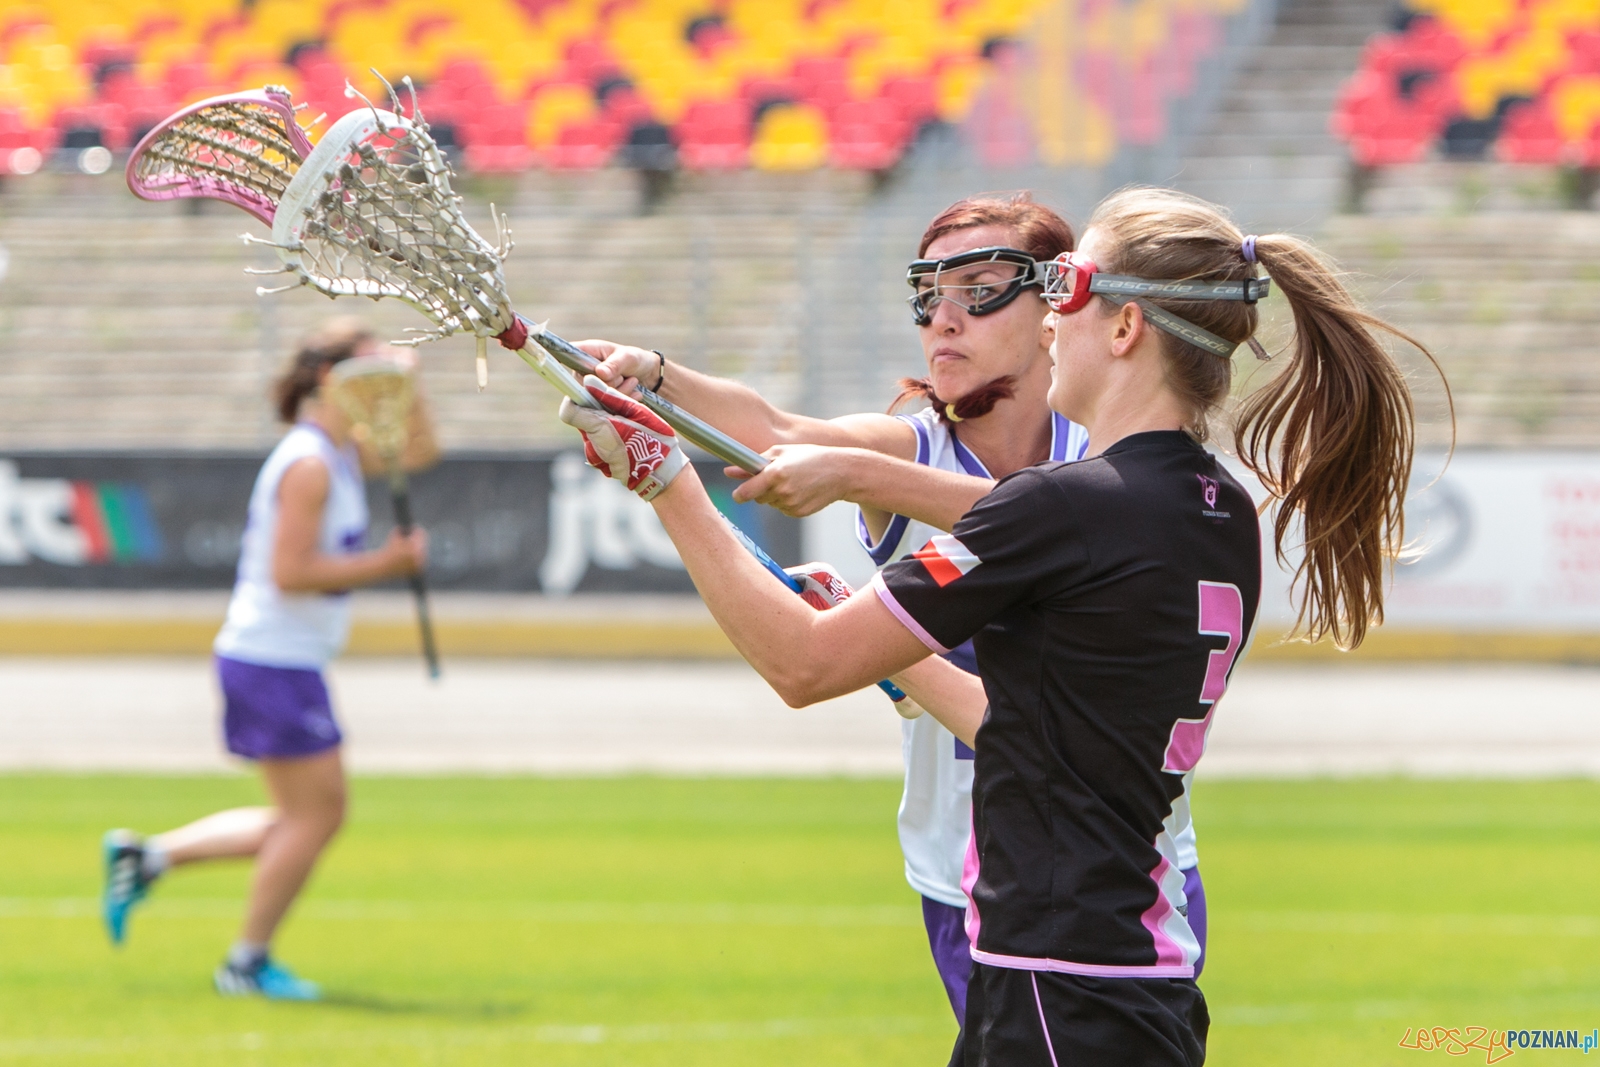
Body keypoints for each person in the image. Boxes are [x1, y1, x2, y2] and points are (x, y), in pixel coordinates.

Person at [558, 186, 1434, 1065]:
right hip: (1122, 963)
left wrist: (662, 477)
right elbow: (1028, 718)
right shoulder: (1221, 510)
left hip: (1063, 976)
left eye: (1067, 285)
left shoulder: (1060, 509)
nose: (1055, 318)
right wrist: (905, 660)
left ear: (1126, 327)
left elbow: (803, 664)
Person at [580, 193, 1154, 1028]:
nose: (944, 319)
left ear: (1054, 308)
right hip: (966, 873)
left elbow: (1041, 526)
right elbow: (777, 426)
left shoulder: (1106, 462)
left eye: (980, 288)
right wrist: (657, 376)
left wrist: (894, 646)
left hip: (1125, 867)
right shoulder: (917, 445)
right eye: (929, 296)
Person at [99, 318, 436, 1000]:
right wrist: (389, 562)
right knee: (317, 815)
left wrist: (409, 390)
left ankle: (148, 856)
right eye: (364, 376)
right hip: (272, 659)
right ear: (325, 380)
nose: (376, 388)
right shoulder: (309, 463)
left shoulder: (340, 450)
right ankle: (245, 962)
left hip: (283, 660)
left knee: (302, 817)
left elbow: (420, 450)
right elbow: (291, 571)